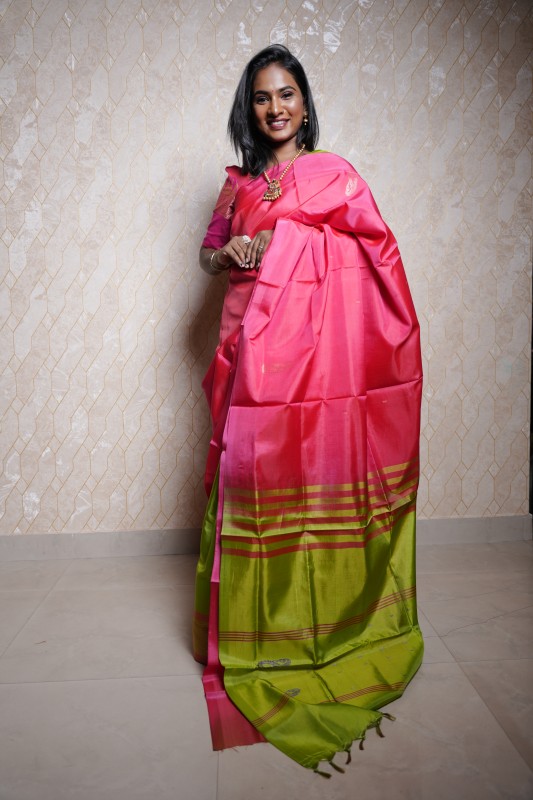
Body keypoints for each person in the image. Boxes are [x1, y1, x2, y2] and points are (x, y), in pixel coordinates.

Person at [193, 44, 423, 775]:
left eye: (286, 93)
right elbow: (206, 255)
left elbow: (374, 251)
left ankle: (319, 623)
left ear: (303, 101)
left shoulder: (332, 176)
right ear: (249, 108)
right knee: (253, 480)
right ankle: (252, 628)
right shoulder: (236, 185)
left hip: (313, 358)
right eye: (262, 96)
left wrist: (289, 238)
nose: (275, 107)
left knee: (305, 474)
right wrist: (232, 252)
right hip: (245, 344)